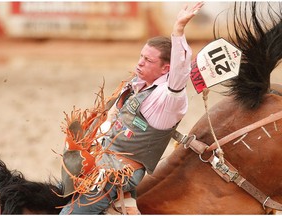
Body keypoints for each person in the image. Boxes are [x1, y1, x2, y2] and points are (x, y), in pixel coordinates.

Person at [60, 2, 204, 214]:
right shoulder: (138, 84)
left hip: (118, 173)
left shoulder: (169, 98)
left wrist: (178, 30)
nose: (140, 63)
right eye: (141, 57)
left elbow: (181, 73)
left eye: (147, 60)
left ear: (166, 68)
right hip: (104, 162)